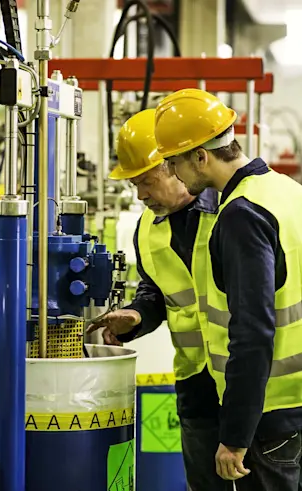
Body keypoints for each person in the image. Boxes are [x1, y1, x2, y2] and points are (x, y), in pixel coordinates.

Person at [154, 88, 302, 491]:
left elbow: (252, 332)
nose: (173, 174)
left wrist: (235, 436)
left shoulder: (241, 215)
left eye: (174, 162)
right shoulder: (285, 190)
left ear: (201, 156)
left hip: (269, 414)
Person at [87, 108, 233, 491]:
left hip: (250, 383)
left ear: (176, 166)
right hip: (196, 386)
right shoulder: (147, 230)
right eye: (135, 185)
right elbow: (156, 291)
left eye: (147, 181)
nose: (141, 195)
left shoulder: (231, 212)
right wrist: (136, 314)